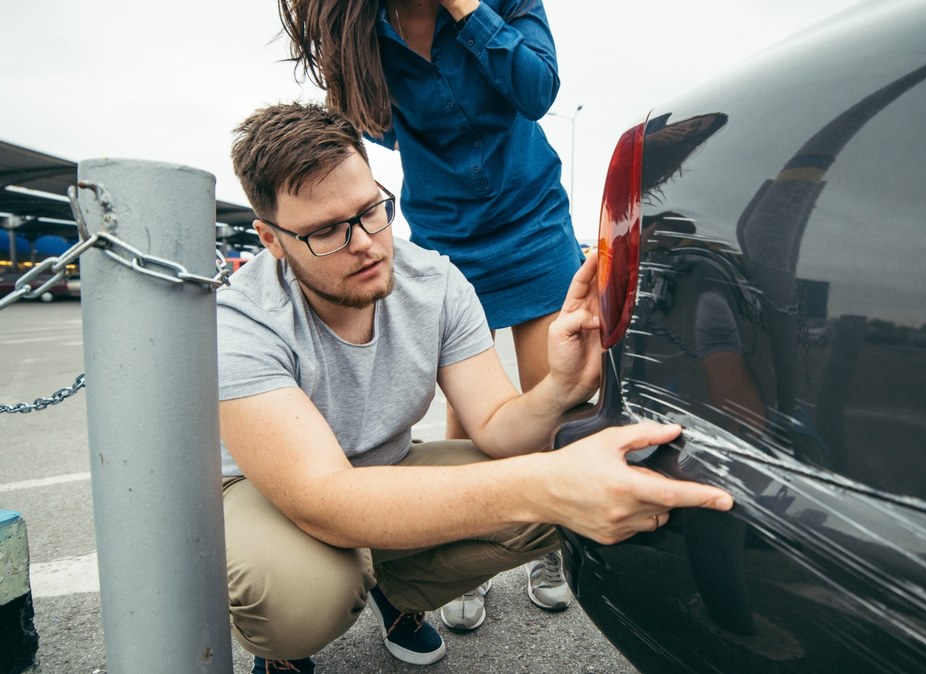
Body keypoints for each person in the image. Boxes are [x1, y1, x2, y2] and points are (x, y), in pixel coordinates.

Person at [220, 101, 733, 673]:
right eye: (325, 233)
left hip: (382, 468)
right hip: (271, 494)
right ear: (270, 238)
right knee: (300, 598)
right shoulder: (240, 319)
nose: (364, 242)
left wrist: (560, 387)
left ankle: (400, 595)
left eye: (370, 211)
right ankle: (288, 652)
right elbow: (322, 499)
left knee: (560, 473)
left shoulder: (433, 280)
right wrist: (546, 484)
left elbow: (495, 428)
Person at [277, 0, 585, 624]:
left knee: (554, 395)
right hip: (446, 227)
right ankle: (461, 551)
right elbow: (377, 125)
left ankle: (558, 539)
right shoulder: (365, 30)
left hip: (532, 217)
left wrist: (468, 10)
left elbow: (536, 89)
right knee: (469, 407)